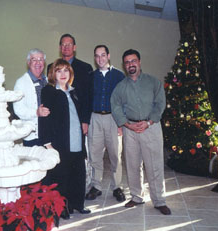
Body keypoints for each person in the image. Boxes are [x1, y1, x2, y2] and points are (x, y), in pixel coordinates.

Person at [110, 49, 171, 215]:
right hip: (130, 129)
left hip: (151, 127)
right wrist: (127, 125)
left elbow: (160, 103)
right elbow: (115, 106)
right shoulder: (120, 87)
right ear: (124, 65)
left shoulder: (153, 82)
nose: (131, 64)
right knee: (132, 165)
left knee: (154, 165)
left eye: (133, 61)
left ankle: (159, 200)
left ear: (139, 62)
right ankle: (137, 197)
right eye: (127, 62)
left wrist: (149, 122)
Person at [40, 58, 91, 219]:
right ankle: (62, 207)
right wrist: (47, 143)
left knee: (78, 173)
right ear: (53, 74)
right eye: (59, 70)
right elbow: (44, 117)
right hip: (60, 141)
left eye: (66, 70)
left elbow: (80, 112)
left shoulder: (74, 91)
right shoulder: (49, 91)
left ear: (70, 73)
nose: (63, 74)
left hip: (76, 139)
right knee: (61, 176)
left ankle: (78, 204)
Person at [85, 45, 125, 202]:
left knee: (116, 155)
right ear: (94, 58)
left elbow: (123, 101)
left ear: (108, 56)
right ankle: (96, 186)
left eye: (103, 55)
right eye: (97, 56)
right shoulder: (90, 76)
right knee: (95, 154)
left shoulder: (119, 76)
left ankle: (117, 187)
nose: (100, 59)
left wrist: (121, 123)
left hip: (113, 119)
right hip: (95, 118)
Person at [47, 33, 93, 136]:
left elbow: (88, 97)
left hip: (78, 118)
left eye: (69, 44)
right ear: (60, 48)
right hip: (58, 118)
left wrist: (85, 120)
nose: (66, 47)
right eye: (63, 44)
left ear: (74, 47)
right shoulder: (51, 67)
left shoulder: (85, 68)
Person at [13, 48, 50, 147]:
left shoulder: (48, 80)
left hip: (49, 133)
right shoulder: (21, 83)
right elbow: (18, 109)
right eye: (34, 59)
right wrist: (36, 112)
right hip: (32, 135)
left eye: (41, 59)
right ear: (28, 62)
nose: (38, 63)